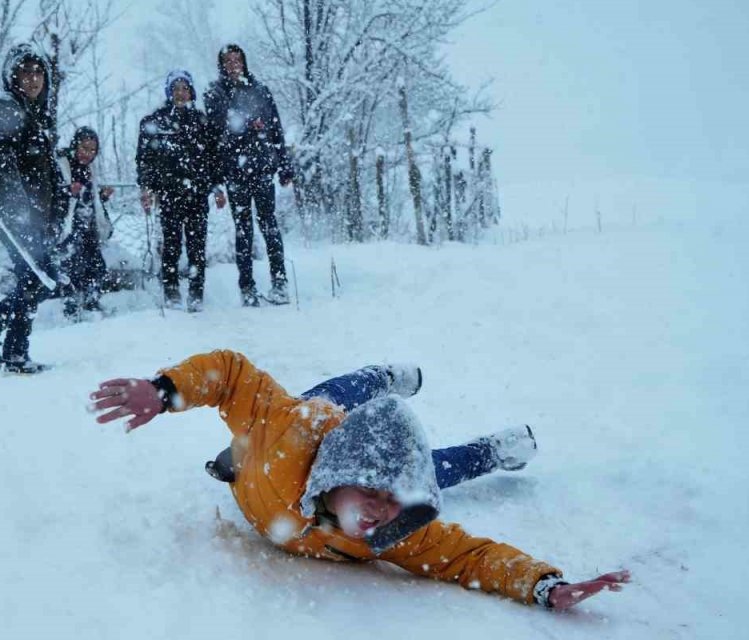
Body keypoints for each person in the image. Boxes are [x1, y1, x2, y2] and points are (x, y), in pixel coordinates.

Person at [89, 350, 631, 610]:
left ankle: (494, 450)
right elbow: (230, 375)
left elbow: (470, 556)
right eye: (371, 494)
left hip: (350, 457)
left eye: (392, 506)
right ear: (340, 475)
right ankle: (383, 377)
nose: (378, 513)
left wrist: (542, 584)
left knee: (437, 469)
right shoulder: (283, 431)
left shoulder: (395, 526)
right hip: (299, 438)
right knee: (328, 396)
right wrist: (163, 390)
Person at [0, 44, 62, 374]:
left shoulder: (38, 115)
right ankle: (5, 343)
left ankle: (0, 338)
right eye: (26, 72)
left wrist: (54, 214)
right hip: (10, 214)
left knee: (39, 278)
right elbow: (2, 169)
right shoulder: (6, 109)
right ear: (13, 76)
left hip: (32, 216)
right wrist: (23, 215)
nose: (34, 79)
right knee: (41, 278)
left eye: (39, 73)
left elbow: (48, 174)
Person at [204, 45, 293, 307]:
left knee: (269, 225)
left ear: (244, 61)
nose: (233, 64)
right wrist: (246, 130)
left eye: (237, 59)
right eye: (228, 60)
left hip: (263, 167)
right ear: (222, 65)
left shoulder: (261, 90)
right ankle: (247, 287)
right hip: (235, 171)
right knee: (243, 229)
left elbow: (276, 127)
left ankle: (280, 282)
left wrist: (284, 164)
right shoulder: (216, 93)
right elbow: (216, 132)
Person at [137, 70, 224, 313]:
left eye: (185, 88)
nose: (180, 93)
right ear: (168, 92)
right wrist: (147, 188)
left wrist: (217, 187)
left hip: (197, 194)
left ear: (191, 92)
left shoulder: (202, 121)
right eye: (175, 88)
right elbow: (145, 159)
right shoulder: (156, 122)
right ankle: (171, 291)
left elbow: (213, 159)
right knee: (171, 245)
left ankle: (196, 293)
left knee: (197, 246)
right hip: (169, 194)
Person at [56, 126, 115, 320]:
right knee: (71, 263)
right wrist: (67, 192)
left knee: (96, 264)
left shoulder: (90, 170)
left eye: (92, 150)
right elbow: (50, 194)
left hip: (88, 225)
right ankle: (70, 304)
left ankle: (92, 300)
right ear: (75, 146)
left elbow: (87, 197)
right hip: (68, 226)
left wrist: (101, 197)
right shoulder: (61, 165)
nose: (87, 154)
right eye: (83, 148)